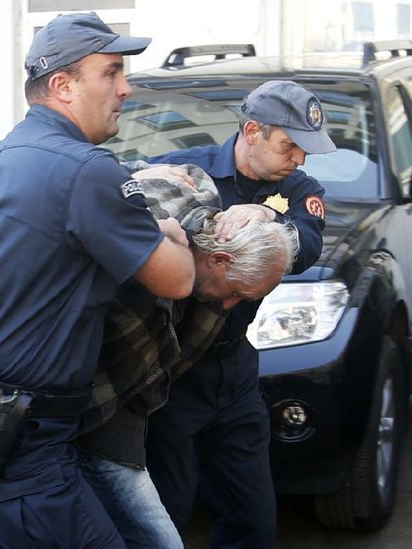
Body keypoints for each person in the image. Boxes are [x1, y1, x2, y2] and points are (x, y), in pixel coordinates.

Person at [0, 12, 195, 548]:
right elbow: (179, 279)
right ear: (63, 86)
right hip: (15, 440)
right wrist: (171, 231)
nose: (126, 87)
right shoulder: (87, 170)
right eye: (112, 73)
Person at [145, 80, 336, 548]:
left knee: (252, 517)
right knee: (168, 508)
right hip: (174, 373)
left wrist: (271, 221)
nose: (299, 159)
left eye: (305, 150)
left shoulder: (296, 189)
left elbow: (309, 242)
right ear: (252, 131)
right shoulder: (190, 173)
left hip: (235, 372)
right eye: (289, 145)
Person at [72, 163, 299, 548]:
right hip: (66, 408)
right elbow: (81, 183)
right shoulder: (140, 238)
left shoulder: (213, 226)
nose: (230, 306)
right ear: (218, 260)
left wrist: (269, 211)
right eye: (236, 293)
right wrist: (131, 170)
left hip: (131, 411)